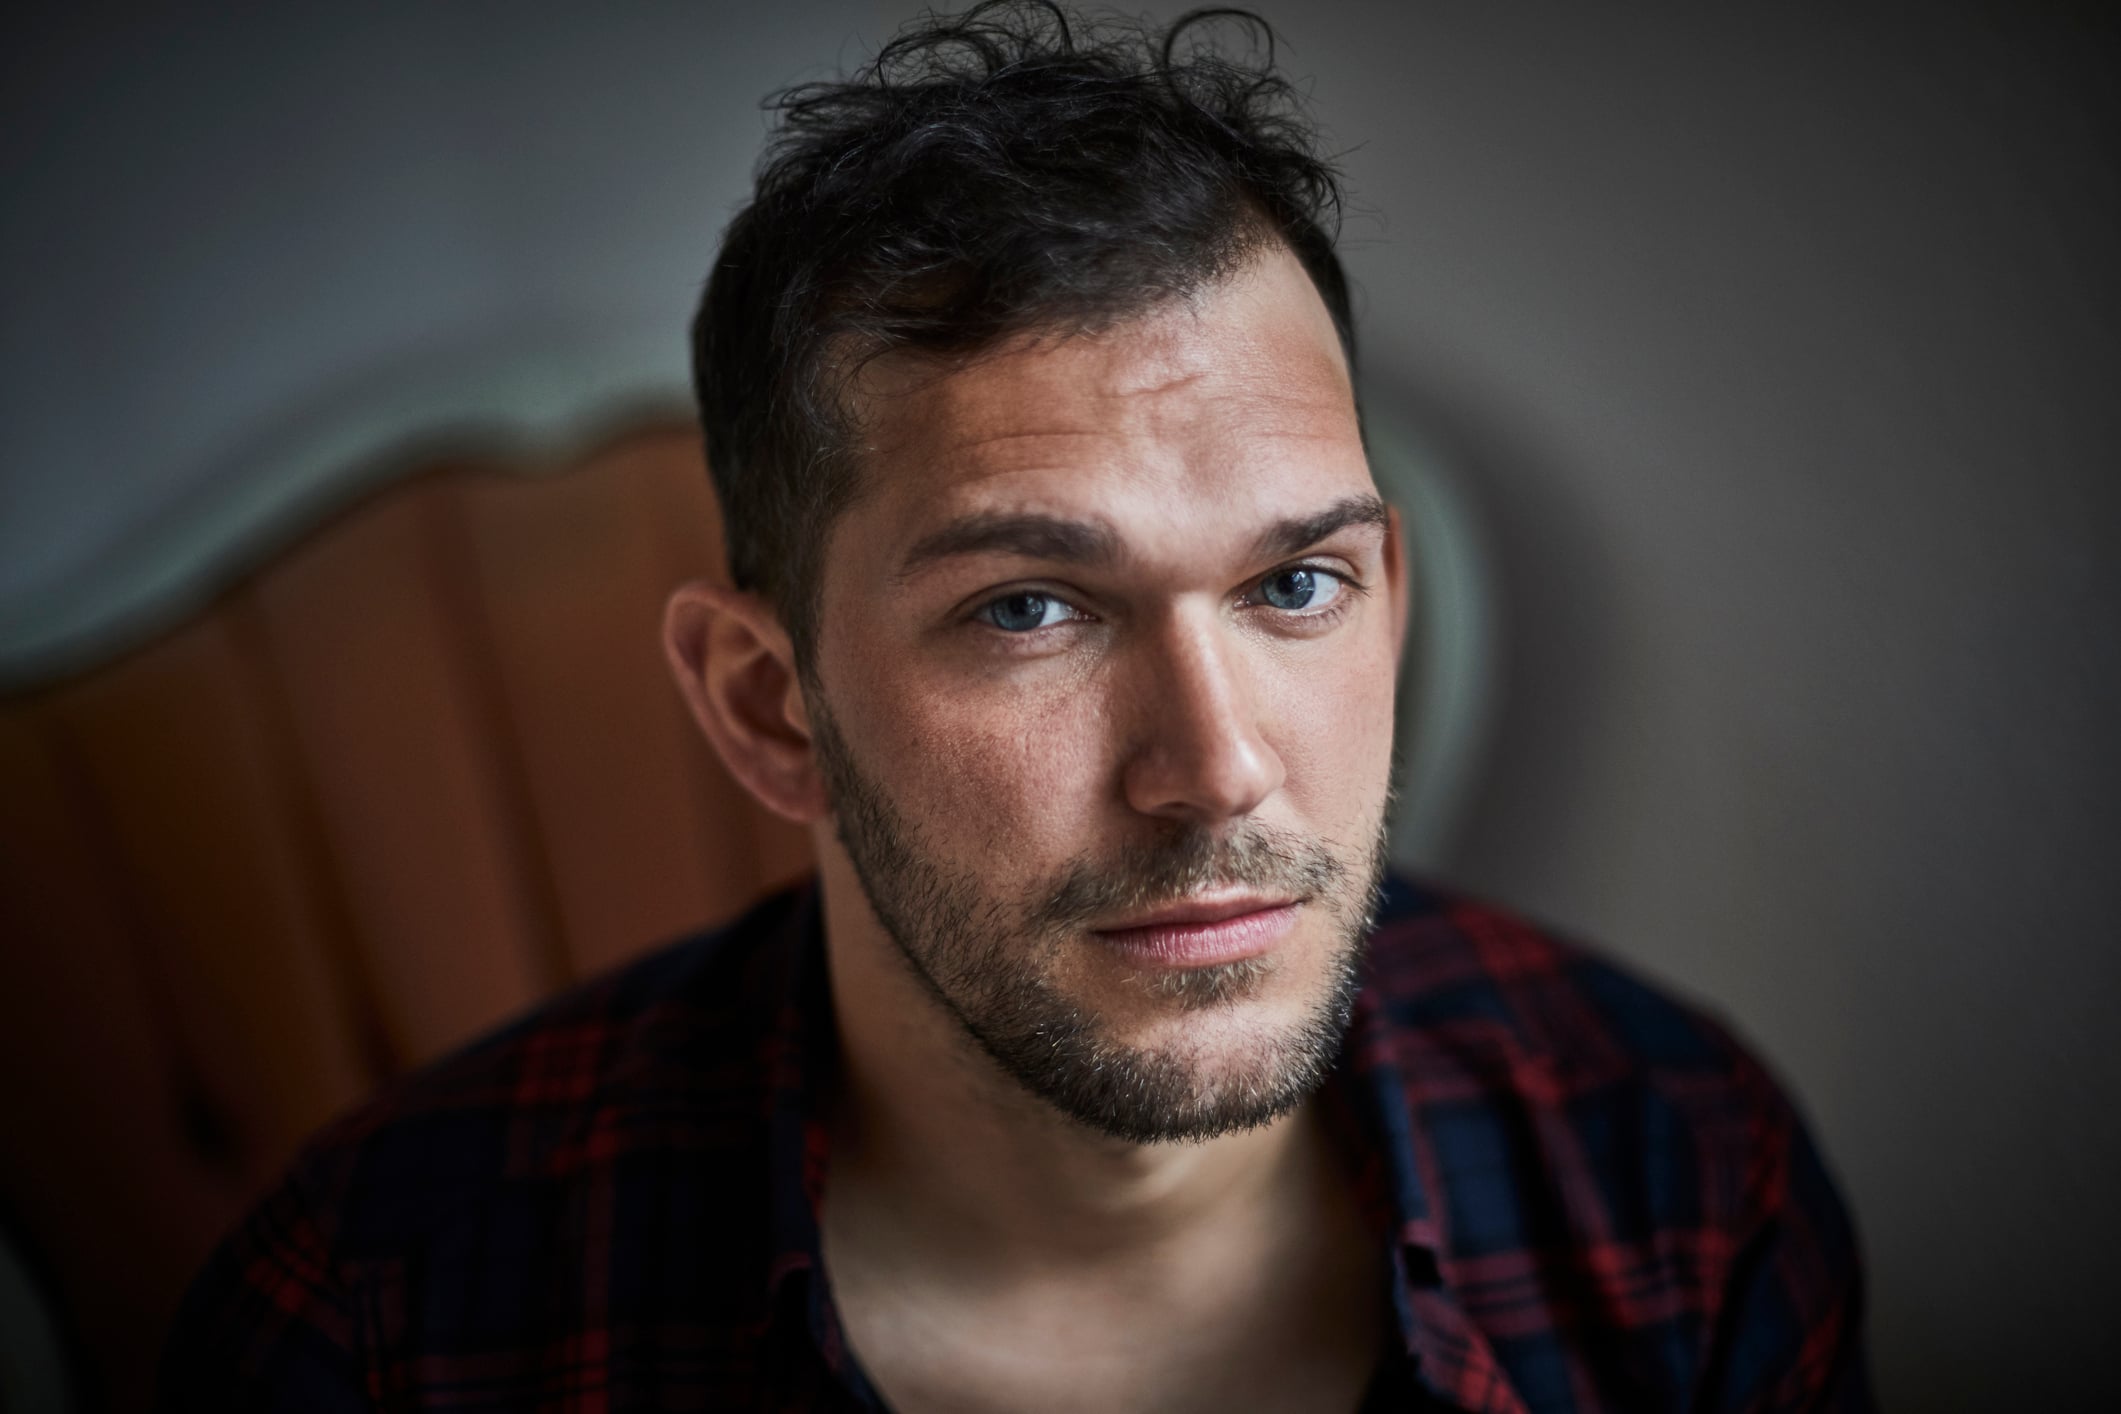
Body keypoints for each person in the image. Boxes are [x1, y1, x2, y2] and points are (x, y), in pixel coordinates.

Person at [162, 4, 1869, 1409]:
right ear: (768, 708)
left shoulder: (1679, 1177)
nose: (1216, 767)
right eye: (1029, 608)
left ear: (1390, 598)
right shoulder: (378, 1323)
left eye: (1294, 584)